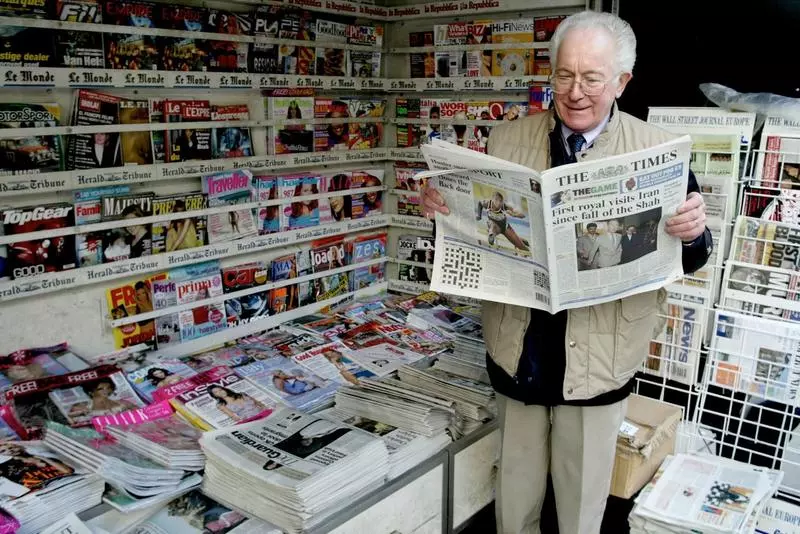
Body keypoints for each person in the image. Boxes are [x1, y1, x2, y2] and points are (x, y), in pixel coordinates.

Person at [422, 11, 712, 534]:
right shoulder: (505, 140)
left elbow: (690, 258)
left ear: (622, 81)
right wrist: (444, 210)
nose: (575, 92)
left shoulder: (658, 151)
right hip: (519, 351)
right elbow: (479, 231)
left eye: (592, 78)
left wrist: (693, 234)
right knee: (514, 503)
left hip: (601, 360)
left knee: (580, 513)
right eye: (564, 75)